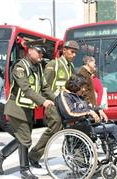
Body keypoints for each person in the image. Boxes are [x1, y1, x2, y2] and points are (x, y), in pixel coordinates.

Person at [0, 45, 57, 179]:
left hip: (27, 108)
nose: (41, 55)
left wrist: (58, 99)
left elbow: (44, 87)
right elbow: (26, 88)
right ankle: (24, 170)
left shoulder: (38, 67)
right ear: (30, 51)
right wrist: (43, 101)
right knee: (25, 139)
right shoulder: (19, 67)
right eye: (38, 52)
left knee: (22, 138)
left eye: (42, 53)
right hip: (16, 108)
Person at [55, 74, 117, 161]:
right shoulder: (64, 96)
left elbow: (90, 106)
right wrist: (88, 113)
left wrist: (98, 110)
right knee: (112, 128)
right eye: (82, 86)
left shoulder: (78, 96)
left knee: (110, 124)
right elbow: (69, 113)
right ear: (75, 85)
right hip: (78, 126)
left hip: (86, 124)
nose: (84, 89)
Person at [28, 40, 80, 168]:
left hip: (66, 105)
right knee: (55, 127)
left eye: (75, 53)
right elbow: (44, 86)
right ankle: (33, 156)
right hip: (53, 105)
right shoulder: (53, 65)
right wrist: (50, 101)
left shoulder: (71, 67)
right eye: (72, 52)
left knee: (73, 129)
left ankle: (77, 158)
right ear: (64, 50)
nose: (74, 55)